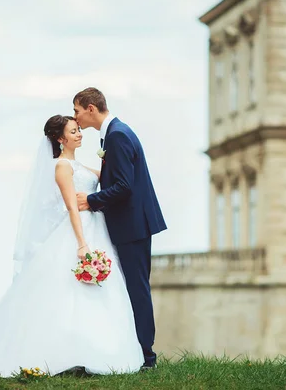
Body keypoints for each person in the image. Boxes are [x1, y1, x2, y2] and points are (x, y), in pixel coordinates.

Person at [0, 115, 144, 376]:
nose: (79, 134)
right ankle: (70, 355)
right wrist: (82, 244)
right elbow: (72, 208)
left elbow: (109, 179)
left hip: (98, 228)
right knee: (69, 294)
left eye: (78, 130)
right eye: (73, 132)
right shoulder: (62, 166)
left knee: (98, 293)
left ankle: (95, 352)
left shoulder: (79, 165)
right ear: (61, 139)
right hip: (80, 232)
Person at [73, 87, 167, 369]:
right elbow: (119, 178)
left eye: (77, 110)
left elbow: (124, 187)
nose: (75, 117)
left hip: (132, 225)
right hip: (131, 223)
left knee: (137, 289)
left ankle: (147, 357)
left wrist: (91, 200)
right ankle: (138, 352)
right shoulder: (115, 133)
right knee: (133, 287)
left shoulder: (117, 136)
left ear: (91, 108)